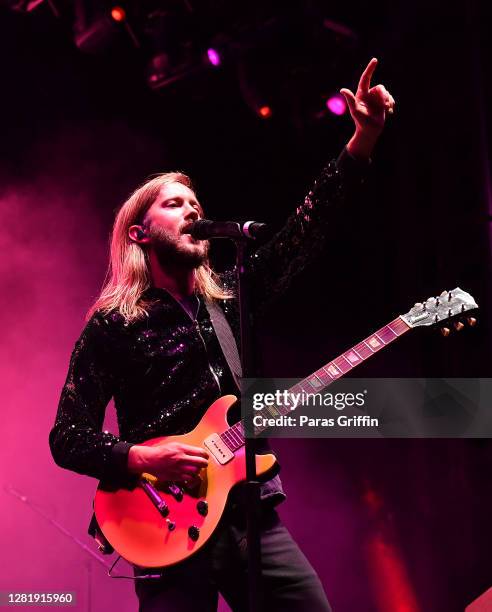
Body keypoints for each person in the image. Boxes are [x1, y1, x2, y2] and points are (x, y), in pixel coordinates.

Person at [49, 58, 394, 611]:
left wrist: (362, 141)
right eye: (174, 203)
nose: (192, 210)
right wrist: (142, 458)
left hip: (250, 510)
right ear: (139, 232)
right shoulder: (114, 324)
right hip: (163, 518)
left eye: (196, 204)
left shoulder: (231, 295)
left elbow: (303, 233)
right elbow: (66, 436)